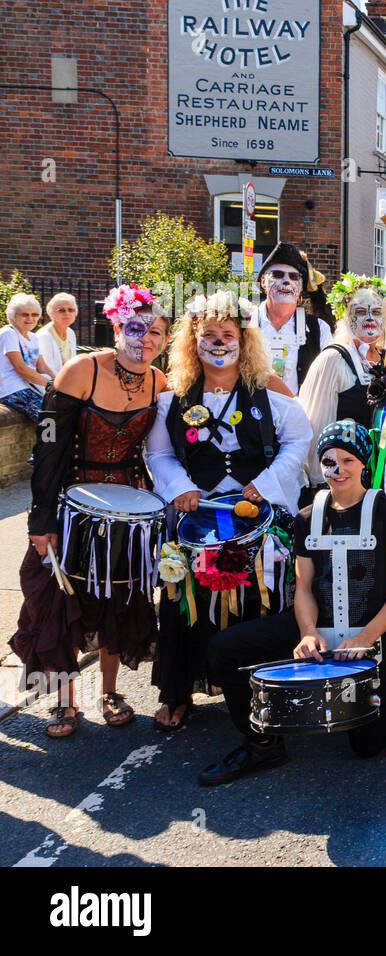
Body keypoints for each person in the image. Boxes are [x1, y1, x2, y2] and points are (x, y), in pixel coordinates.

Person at [199, 420, 386, 785]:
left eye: (348, 460)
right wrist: (306, 633)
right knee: (224, 648)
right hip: (317, 622)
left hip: (369, 631)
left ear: (363, 462)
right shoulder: (307, 517)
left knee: (366, 746)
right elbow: (303, 587)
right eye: (329, 461)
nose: (339, 470)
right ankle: (262, 742)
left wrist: (368, 636)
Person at [144, 292, 311, 731]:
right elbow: (158, 455)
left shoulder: (267, 390)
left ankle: (266, 688)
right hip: (197, 518)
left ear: (244, 340)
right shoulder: (173, 398)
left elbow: (300, 437)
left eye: (228, 334)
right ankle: (177, 691)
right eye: (209, 335)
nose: (218, 343)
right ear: (192, 342)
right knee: (187, 600)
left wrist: (267, 483)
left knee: (260, 599)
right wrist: (181, 488)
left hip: (258, 518)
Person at [10, 285, 169, 737]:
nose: (146, 340)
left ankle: (109, 691)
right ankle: (63, 702)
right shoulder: (82, 370)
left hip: (127, 505)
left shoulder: (160, 383)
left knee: (118, 598)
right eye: (137, 329)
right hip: (70, 501)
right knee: (57, 601)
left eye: (156, 332)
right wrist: (41, 521)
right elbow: (47, 449)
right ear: (117, 328)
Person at [297, 275, 386, 488]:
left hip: (381, 477)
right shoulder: (332, 359)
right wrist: (322, 481)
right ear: (346, 317)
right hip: (341, 480)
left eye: (378, 312)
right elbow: (315, 426)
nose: (370, 318)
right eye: (360, 312)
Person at [251, 242, 333, 396]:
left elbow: (329, 380)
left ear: (301, 286)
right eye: (277, 274)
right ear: (263, 281)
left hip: (298, 416)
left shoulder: (319, 330)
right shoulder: (244, 323)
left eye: (294, 276)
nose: (286, 281)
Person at [1, 293, 55, 421]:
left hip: (29, 387)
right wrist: (50, 385)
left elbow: (42, 367)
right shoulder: (8, 333)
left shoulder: (33, 337)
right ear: (13, 317)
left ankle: (54, 440)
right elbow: (21, 368)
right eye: (24, 314)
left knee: (66, 409)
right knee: (49, 417)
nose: (30, 318)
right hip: (11, 389)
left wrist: (60, 382)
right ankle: (50, 441)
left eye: (34, 315)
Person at [34, 292, 78, 377]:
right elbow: (46, 369)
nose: (67, 313)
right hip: (52, 383)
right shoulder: (44, 336)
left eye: (71, 310)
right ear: (51, 313)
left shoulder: (70, 333)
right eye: (61, 310)